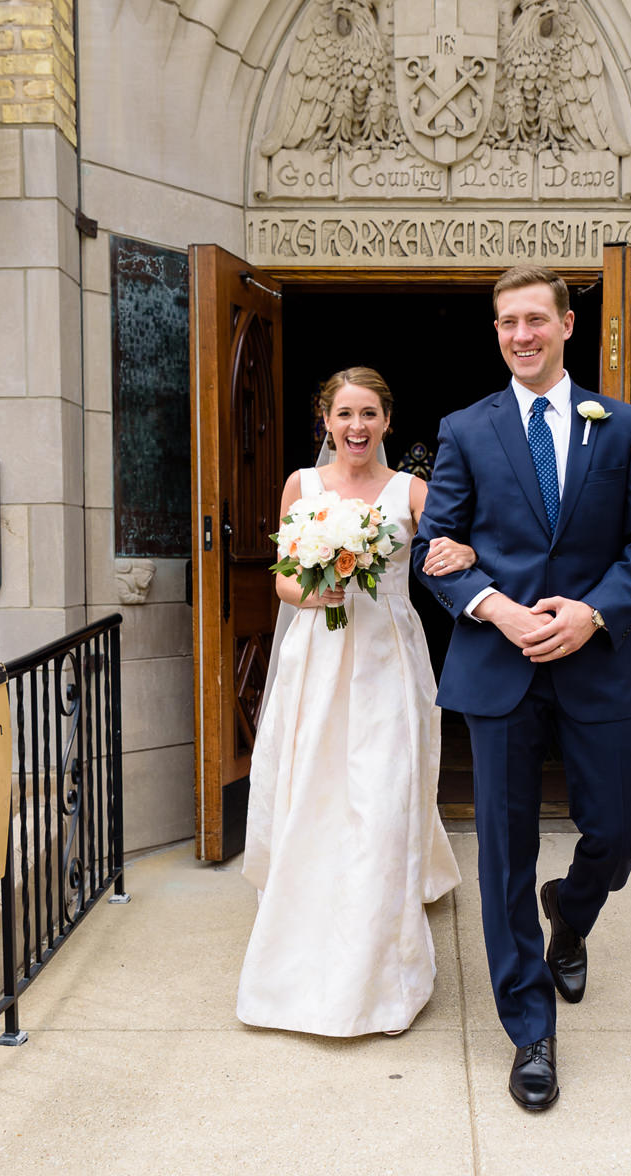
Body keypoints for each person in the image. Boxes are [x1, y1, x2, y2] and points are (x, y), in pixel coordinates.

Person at [413, 265, 631, 1111]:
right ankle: (530, 1028)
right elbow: (438, 547)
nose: (520, 335)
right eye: (505, 323)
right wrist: (495, 606)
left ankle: (571, 911)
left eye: (535, 319)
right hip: (500, 669)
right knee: (503, 852)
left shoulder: (626, 427)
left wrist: (593, 613)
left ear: (568, 325)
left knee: (622, 827)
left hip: (595, 662)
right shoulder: (465, 428)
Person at [237, 367, 478, 1037]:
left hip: (387, 662)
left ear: (388, 421)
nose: (357, 426)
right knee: (314, 790)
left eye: (369, 413)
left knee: (381, 797)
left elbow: (451, 552)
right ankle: (302, 930)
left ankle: (381, 970)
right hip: (316, 658)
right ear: (326, 419)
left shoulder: (412, 491)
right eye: (344, 413)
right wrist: (316, 592)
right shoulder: (302, 486)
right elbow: (284, 580)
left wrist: (462, 547)